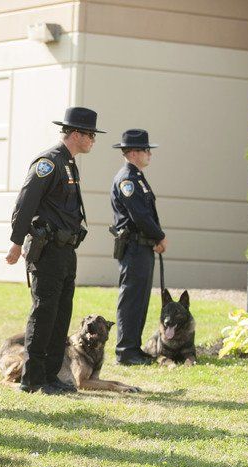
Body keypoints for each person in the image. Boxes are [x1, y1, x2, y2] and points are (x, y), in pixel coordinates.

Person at [6, 107, 104, 394]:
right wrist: (15, 241)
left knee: (61, 314)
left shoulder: (69, 164)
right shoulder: (48, 163)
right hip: (47, 250)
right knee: (44, 312)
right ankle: (32, 378)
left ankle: (50, 375)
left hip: (65, 250)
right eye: (90, 135)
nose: (93, 141)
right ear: (76, 134)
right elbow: (25, 204)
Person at [110, 129, 165, 366]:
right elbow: (140, 216)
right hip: (134, 246)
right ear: (132, 153)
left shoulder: (137, 177)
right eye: (145, 149)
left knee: (140, 298)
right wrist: (160, 236)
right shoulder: (128, 179)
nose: (149, 153)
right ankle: (125, 350)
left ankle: (133, 347)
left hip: (142, 246)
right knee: (132, 298)